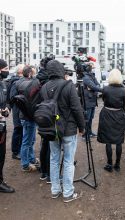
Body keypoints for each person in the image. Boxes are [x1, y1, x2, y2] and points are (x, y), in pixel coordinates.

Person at [41, 60, 85, 203]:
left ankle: (55, 190)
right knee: (68, 160)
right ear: (61, 70)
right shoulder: (68, 85)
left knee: (54, 159)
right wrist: (82, 127)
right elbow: (77, 108)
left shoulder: (45, 87)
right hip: (68, 129)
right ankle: (67, 192)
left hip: (52, 129)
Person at [97, 69, 125, 172]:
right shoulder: (124, 90)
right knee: (119, 141)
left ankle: (109, 164)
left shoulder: (106, 89)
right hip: (119, 115)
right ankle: (117, 164)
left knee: (108, 141)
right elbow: (124, 105)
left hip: (107, 115)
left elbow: (105, 101)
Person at [16, 65, 39, 172]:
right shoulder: (29, 83)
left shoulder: (19, 82)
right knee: (27, 141)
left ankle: (31, 159)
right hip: (29, 116)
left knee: (30, 139)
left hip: (23, 115)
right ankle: (25, 164)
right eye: (34, 73)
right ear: (30, 74)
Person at [0, 59, 15, 193]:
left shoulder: (4, 84)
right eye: (5, 68)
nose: (7, 71)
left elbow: (8, 101)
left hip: (2, 126)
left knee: (1, 154)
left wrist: (7, 109)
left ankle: (0, 181)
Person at [9, 64, 25, 160]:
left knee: (21, 130)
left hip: (20, 109)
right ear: (21, 72)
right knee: (18, 129)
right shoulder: (16, 82)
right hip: (17, 110)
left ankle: (19, 150)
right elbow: (12, 97)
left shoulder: (19, 81)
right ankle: (15, 152)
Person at [82, 63, 102, 138]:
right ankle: (85, 134)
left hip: (93, 100)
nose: (92, 68)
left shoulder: (92, 75)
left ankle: (89, 132)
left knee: (91, 118)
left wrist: (94, 87)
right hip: (88, 101)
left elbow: (97, 85)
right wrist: (102, 90)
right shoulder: (85, 77)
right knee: (87, 118)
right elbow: (93, 86)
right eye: (90, 66)